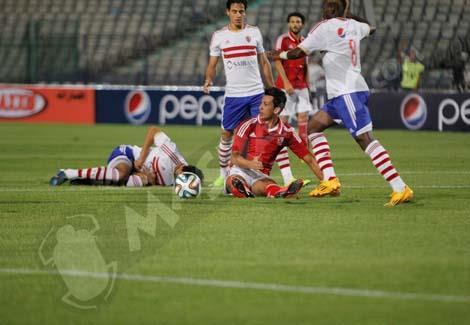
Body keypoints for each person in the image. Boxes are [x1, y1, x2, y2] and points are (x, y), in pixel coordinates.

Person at [269, 0, 413, 206]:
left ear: (329, 8)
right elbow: (371, 28)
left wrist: (279, 54)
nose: (326, 7)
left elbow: (299, 52)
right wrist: (350, 14)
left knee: (364, 139)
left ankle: (400, 187)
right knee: (313, 129)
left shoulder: (324, 26)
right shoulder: (355, 25)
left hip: (348, 93)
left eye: (329, 4)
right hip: (342, 94)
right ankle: (330, 180)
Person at [203, 0, 289, 188]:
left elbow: (264, 63)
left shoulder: (254, 32)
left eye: (241, 11)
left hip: (256, 93)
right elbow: (212, 65)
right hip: (234, 95)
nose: (238, 15)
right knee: (226, 134)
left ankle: (272, 175)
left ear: (245, 12)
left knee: (264, 132)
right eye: (234, 11)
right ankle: (223, 175)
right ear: (227, 12)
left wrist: (272, 88)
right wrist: (208, 79)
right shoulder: (219, 36)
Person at [226, 87, 339, 198]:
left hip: (261, 176)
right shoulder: (248, 125)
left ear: (276, 110)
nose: (260, 107)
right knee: (234, 180)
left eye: (265, 105)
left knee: (267, 186)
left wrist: (327, 183)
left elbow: (309, 159)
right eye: (261, 103)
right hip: (240, 170)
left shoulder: (287, 132)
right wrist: (250, 164)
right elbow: (234, 158)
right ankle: (243, 189)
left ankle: (280, 192)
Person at [49, 126, 204, 187]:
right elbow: (152, 131)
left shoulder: (176, 182)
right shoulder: (172, 151)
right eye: (181, 177)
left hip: (137, 171)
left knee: (140, 182)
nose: (178, 182)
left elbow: (151, 180)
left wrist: (149, 179)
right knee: (121, 174)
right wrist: (141, 159)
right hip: (127, 154)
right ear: (182, 167)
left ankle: (87, 181)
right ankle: (68, 172)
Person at [273, 12, 315, 186]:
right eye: (292, 21)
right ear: (288, 24)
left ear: (302, 24)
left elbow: (306, 64)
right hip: (285, 86)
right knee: (282, 122)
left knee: (304, 117)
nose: (295, 24)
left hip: (301, 86)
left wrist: (308, 84)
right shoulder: (282, 40)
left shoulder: (305, 40)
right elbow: (276, 60)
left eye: (298, 21)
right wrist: (287, 82)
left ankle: (303, 150)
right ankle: (278, 149)